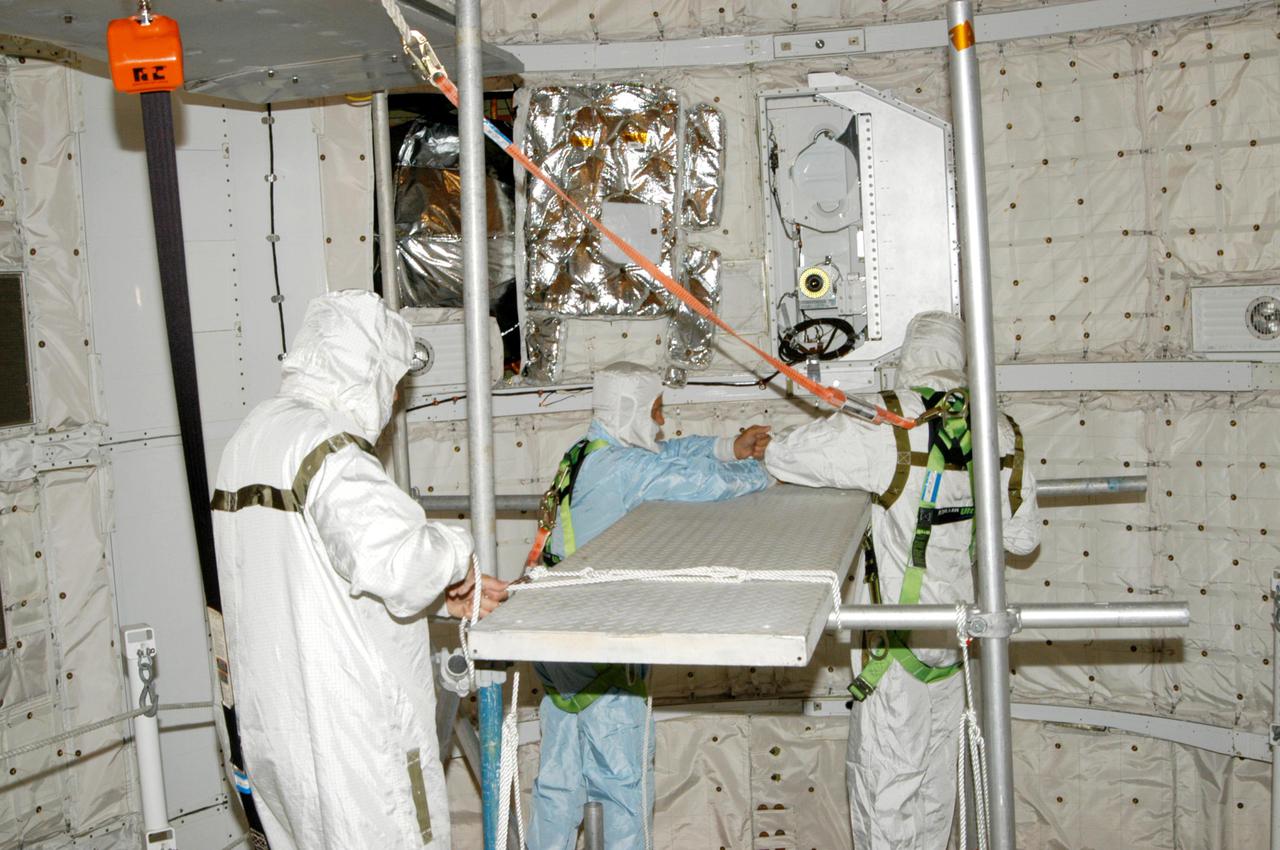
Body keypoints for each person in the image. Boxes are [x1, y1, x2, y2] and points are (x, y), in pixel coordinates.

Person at [209, 290, 508, 850]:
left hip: (282, 735)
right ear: (365, 370)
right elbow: (396, 560)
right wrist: (455, 553)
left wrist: (443, 599)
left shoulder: (250, 440)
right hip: (355, 743)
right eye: (393, 381)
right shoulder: (330, 450)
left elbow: (309, 574)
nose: (395, 399)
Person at [764, 311, 1039, 850]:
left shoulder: (892, 423)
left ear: (909, 356)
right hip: (958, 642)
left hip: (896, 645)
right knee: (937, 792)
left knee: (885, 787)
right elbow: (1022, 539)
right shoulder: (1001, 431)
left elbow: (786, 455)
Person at [526, 361, 773, 850]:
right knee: (622, 785)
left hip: (557, 639)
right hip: (603, 650)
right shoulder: (624, 468)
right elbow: (703, 484)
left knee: (558, 782)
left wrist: (727, 446)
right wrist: (764, 470)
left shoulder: (585, 453)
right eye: (656, 412)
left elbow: (666, 453)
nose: (660, 424)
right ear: (632, 409)